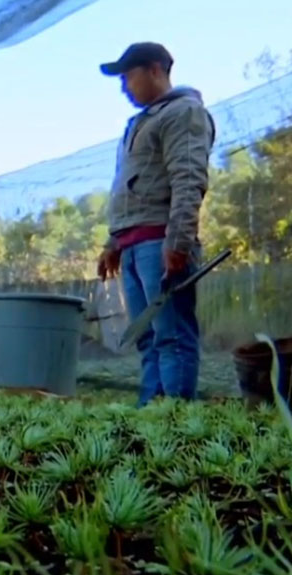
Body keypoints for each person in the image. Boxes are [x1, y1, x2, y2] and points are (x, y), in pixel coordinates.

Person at [96, 42, 215, 407]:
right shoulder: (142, 122)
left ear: (154, 70)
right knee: (147, 336)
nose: (123, 87)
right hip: (134, 246)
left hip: (160, 245)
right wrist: (113, 242)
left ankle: (175, 422)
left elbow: (188, 177)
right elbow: (134, 187)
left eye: (127, 77)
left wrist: (178, 242)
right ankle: (150, 416)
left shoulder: (183, 113)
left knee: (172, 335)